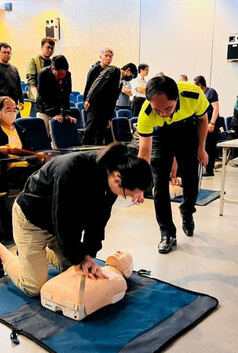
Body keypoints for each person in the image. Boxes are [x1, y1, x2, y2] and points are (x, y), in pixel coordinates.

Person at [0, 143, 153, 298]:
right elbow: (63, 221)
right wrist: (79, 258)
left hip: (57, 225)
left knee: (74, 272)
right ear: (118, 178)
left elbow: (99, 221)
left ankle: (39, 253)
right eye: (128, 194)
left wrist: (88, 255)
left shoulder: (112, 177)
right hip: (32, 220)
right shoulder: (73, 169)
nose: (128, 197)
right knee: (34, 287)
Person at [137, 75, 209, 254]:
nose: (162, 113)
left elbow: (202, 120)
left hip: (187, 130)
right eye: (157, 109)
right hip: (161, 134)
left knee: (191, 180)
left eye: (167, 107)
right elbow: (144, 151)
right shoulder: (146, 114)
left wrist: (201, 148)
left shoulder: (193, 94)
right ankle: (167, 233)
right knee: (159, 185)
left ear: (177, 98)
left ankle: (187, 210)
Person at [0, 96, 41, 189]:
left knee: (49, 170)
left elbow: (28, 149)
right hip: (8, 169)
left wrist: (36, 157)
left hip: (26, 166)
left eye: (15, 109)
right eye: (8, 109)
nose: (12, 112)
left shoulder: (19, 129)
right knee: (34, 179)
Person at [83, 63, 137, 145]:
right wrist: (88, 99)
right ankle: (83, 153)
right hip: (95, 104)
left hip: (104, 110)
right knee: (90, 130)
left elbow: (113, 101)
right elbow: (97, 83)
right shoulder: (113, 70)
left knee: (100, 135)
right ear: (128, 70)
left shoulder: (121, 82)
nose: (131, 78)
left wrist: (109, 118)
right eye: (132, 75)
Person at [36, 54, 76, 138]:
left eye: (64, 73)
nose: (62, 77)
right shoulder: (43, 74)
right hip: (44, 108)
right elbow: (44, 96)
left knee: (57, 137)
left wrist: (66, 113)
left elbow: (66, 94)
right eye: (59, 73)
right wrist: (53, 113)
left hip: (57, 108)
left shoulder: (67, 75)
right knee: (44, 136)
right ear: (53, 69)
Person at [194, 75, 221, 176]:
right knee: (203, 146)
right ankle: (203, 167)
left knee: (210, 147)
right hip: (202, 124)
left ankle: (209, 169)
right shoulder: (200, 93)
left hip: (210, 124)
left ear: (200, 85)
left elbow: (216, 108)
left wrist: (212, 123)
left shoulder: (211, 92)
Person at [0, 42, 24, 113]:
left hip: (14, 104)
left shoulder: (14, 69)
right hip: (1, 105)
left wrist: (21, 100)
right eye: (4, 52)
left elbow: (18, 86)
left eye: (8, 53)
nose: (6, 54)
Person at [26, 37, 55, 117]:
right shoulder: (33, 61)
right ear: (42, 47)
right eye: (48, 47)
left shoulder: (53, 63)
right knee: (36, 126)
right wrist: (37, 99)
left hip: (49, 102)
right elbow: (32, 82)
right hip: (36, 102)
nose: (50, 50)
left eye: (52, 48)